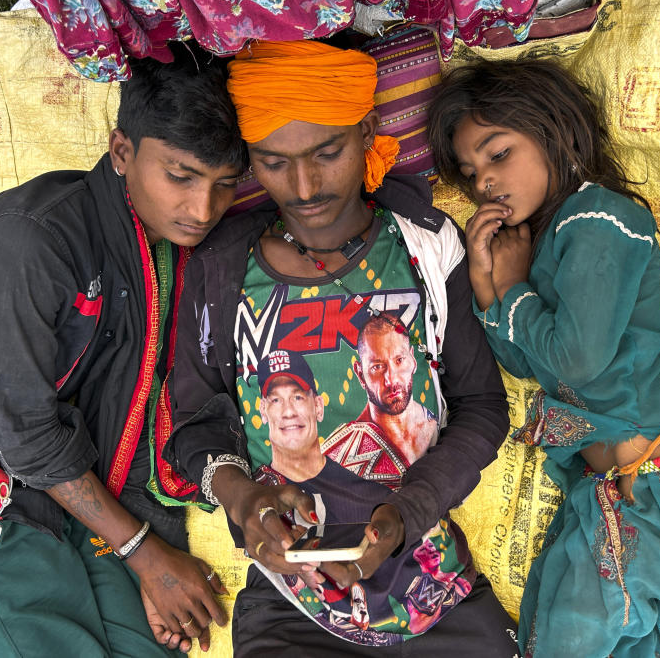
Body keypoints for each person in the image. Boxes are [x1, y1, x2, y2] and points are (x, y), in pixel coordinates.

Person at [0, 44, 248, 657]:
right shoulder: (35, 240)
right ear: (121, 152)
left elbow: (132, 413)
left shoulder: (164, 249)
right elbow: (15, 423)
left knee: (152, 646)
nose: (202, 210)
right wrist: (141, 553)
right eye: (180, 176)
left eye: (224, 186)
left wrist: (148, 550)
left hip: (54, 501)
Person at [164, 39, 519, 655]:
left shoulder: (427, 246)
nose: (303, 186)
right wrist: (245, 500)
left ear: (367, 132)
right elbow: (196, 424)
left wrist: (408, 512)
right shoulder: (222, 269)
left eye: (327, 152)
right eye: (273, 162)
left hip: (433, 591)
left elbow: (483, 407)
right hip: (289, 606)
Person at [427, 58, 660, 656]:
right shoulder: (545, 244)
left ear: (554, 132)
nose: (484, 183)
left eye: (498, 154)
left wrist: (513, 288)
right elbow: (525, 363)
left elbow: (576, 361)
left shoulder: (601, 219)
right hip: (618, 500)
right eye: (469, 173)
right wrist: (491, 288)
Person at [323, 313, 438, 484]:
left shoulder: (436, 426)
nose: (391, 379)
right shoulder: (342, 452)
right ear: (360, 374)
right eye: (377, 367)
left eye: (399, 360)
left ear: (413, 360)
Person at [257, 349, 327, 481]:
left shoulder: (356, 488)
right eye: (276, 400)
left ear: (318, 406)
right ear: (263, 411)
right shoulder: (253, 489)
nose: (288, 412)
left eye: (298, 397)